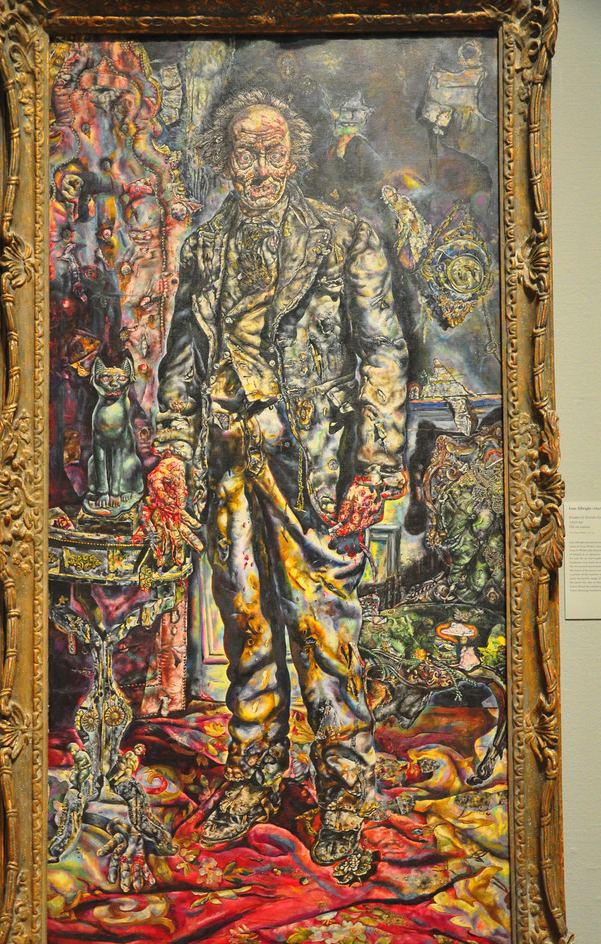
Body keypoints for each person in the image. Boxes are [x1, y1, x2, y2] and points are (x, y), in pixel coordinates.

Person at [146, 89, 408, 867]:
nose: (259, 169)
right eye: (244, 153)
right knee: (248, 627)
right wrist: (172, 451)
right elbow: (182, 364)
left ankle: (347, 796)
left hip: (317, 464)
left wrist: (375, 468)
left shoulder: (345, 238)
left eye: (272, 153)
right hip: (229, 461)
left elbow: (384, 358)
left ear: (293, 156)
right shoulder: (203, 248)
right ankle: (255, 776)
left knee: (324, 633)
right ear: (224, 159)